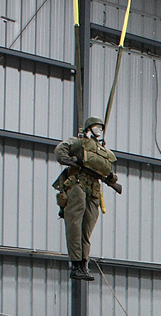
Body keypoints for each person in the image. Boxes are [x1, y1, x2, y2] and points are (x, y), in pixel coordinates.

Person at [53, 116, 122, 281]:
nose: (99, 130)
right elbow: (60, 150)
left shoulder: (103, 151)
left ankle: (84, 263)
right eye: (96, 127)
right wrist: (73, 161)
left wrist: (111, 178)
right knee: (75, 226)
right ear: (89, 128)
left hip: (94, 190)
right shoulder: (78, 142)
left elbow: (108, 172)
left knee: (87, 229)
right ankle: (76, 263)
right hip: (78, 185)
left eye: (100, 128)